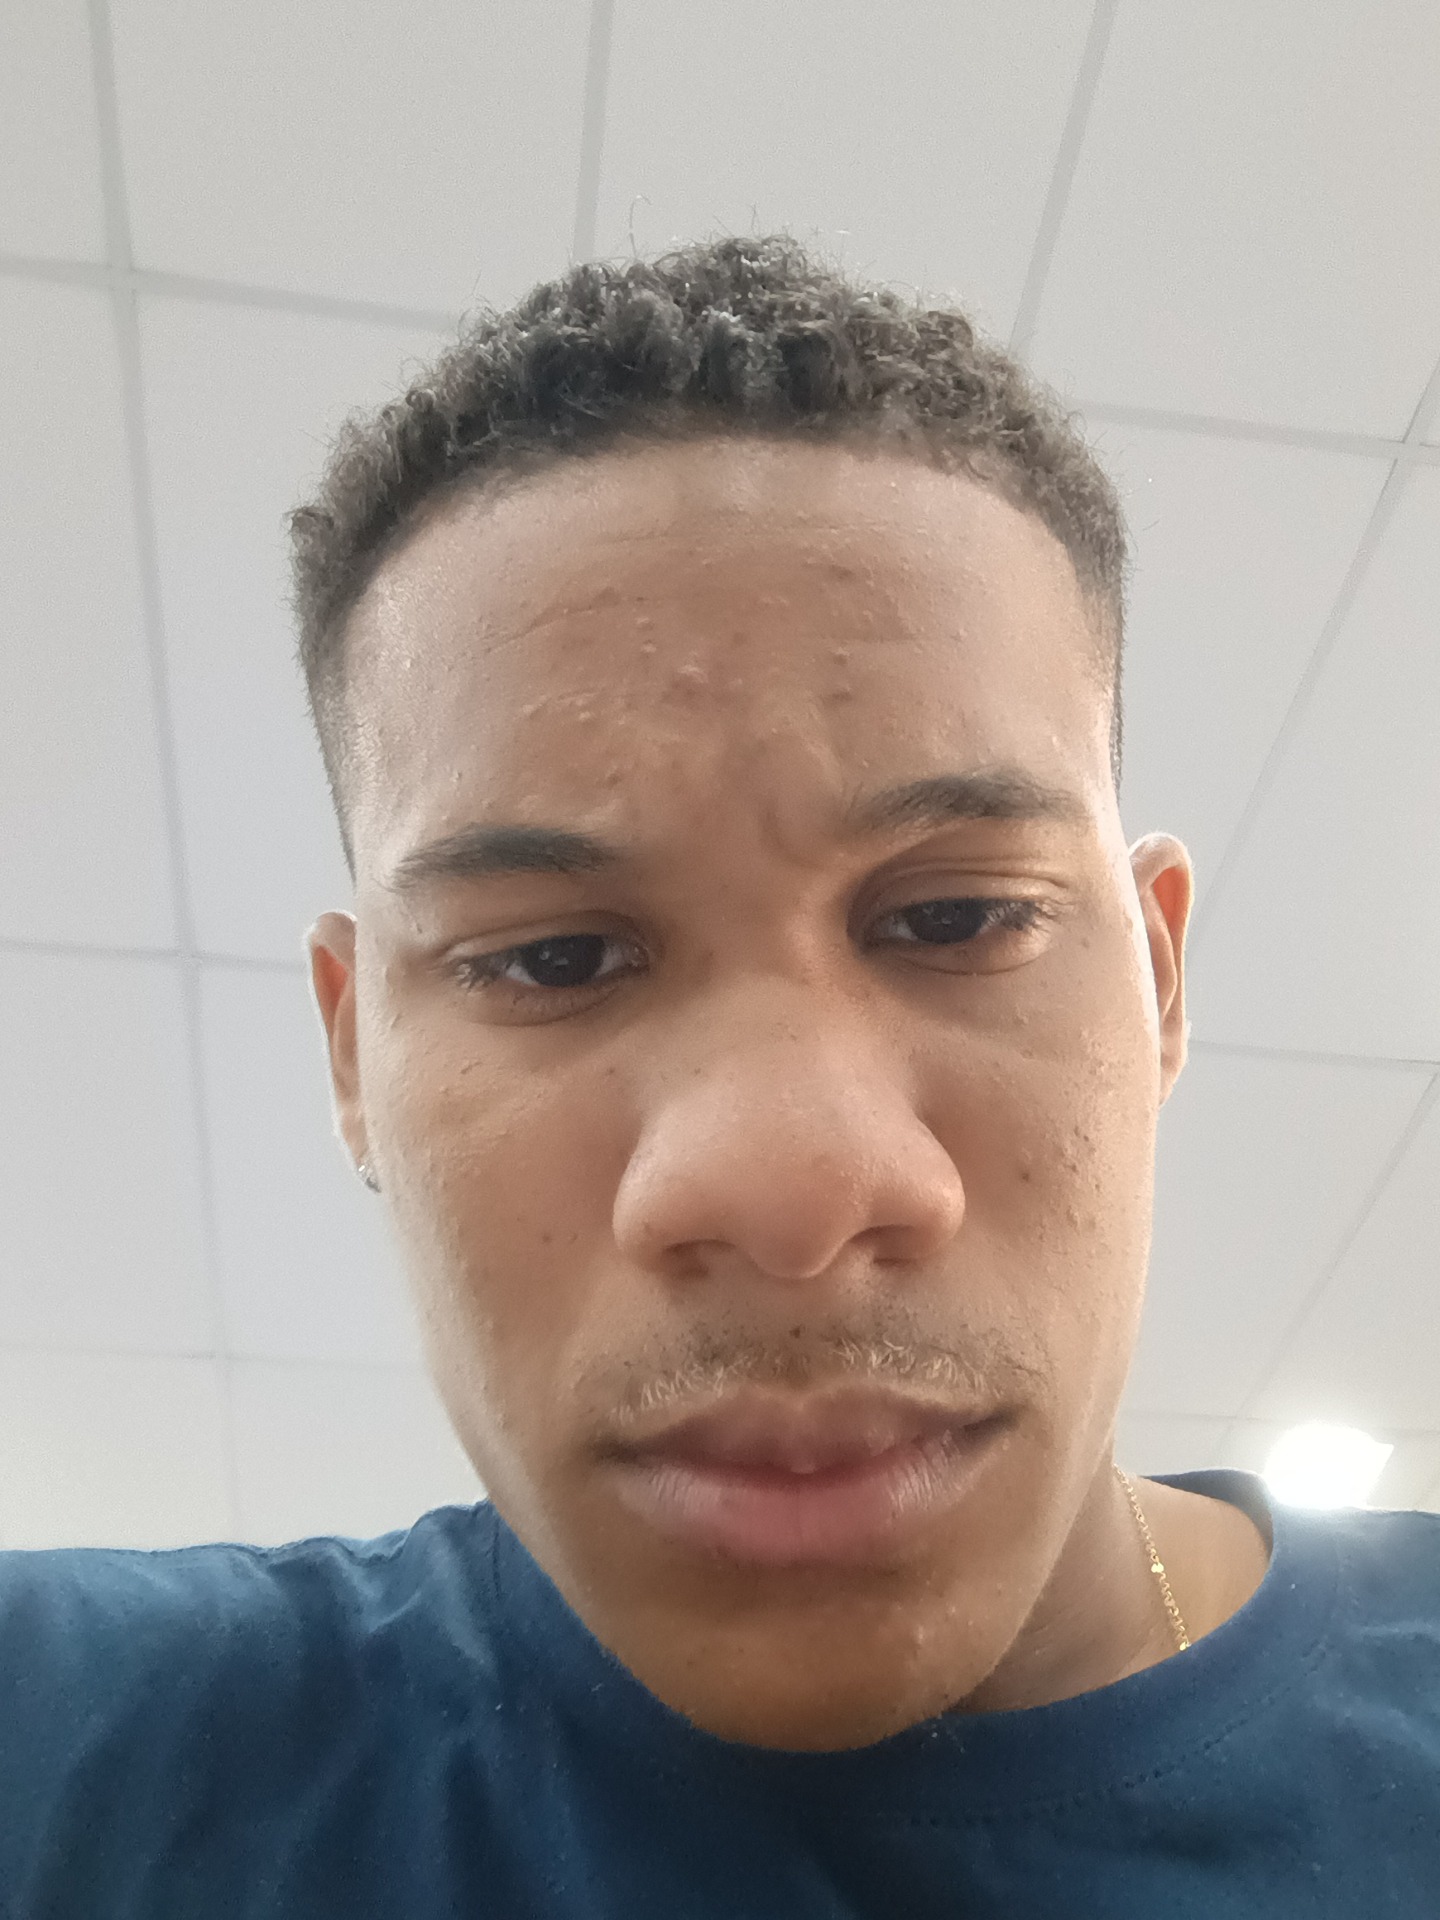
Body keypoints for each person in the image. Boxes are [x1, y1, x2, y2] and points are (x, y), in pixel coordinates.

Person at [2, 236, 1436, 1917]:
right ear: (352, 1054)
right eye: (553, 958)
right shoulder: (78, 1748)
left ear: (1161, 977)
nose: (790, 1188)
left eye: (959, 917)